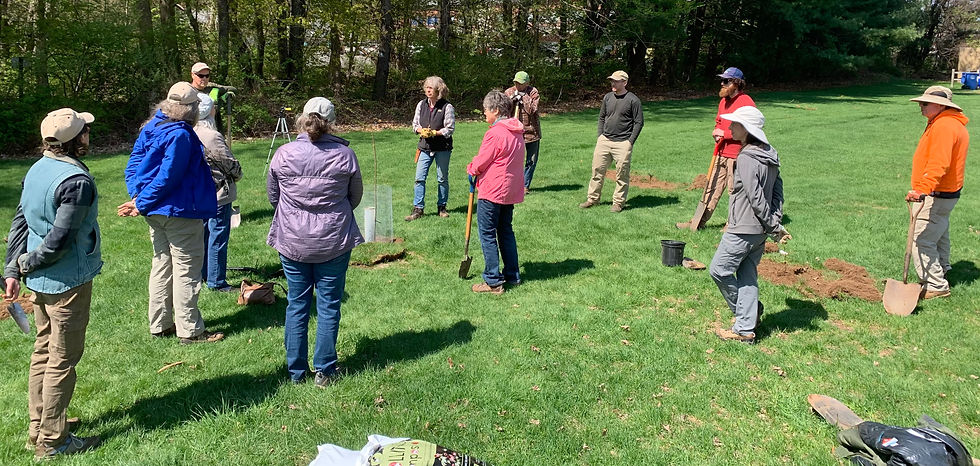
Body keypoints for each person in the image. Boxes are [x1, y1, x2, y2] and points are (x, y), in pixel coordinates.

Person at [3, 108, 102, 458]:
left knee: (44, 350)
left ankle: (40, 426)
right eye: (85, 131)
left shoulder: (38, 167)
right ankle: (53, 442)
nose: (89, 135)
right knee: (62, 358)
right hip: (66, 283)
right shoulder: (76, 181)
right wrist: (23, 264)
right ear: (76, 140)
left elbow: (19, 222)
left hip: (41, 281)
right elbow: (59, 240)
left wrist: (12, 271)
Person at [267, 97, 364, 386]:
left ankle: (296, 372)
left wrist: (292, 217)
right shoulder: (345, 155)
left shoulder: (284, 153)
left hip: (294, 239)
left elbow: (274, 197)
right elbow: (354, 196)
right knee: (328, 304)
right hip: (332, 238)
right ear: (331, 121)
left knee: (297, 304)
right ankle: (324, 370)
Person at [119, 82, 224, 345]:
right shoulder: (181, 135)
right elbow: (169, 176)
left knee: (162, 264)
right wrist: (140, 201)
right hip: (178, 211)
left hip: (156, 209)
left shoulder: (151, 126)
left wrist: (139, 198)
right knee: (186, 270)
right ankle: (190, 331)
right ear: (191, 109)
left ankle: (160, 324)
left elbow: (133, 166)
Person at [708, 106, 786, 344]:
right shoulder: (769, 154)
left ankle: (745, 321)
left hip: (743, 228)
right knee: (747, 276)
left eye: (735, 124)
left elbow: (755, 197)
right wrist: (774, 221)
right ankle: (747, 328)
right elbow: (778, 191)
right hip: (759, 231)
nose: (730, 127)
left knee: (718, 270)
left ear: (747, 129)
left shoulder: (746, 157)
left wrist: (773, 226)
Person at [907, 86, 969, 299]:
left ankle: (935, 284)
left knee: (922, 238)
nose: (921, 107)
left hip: (937, 193)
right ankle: (943, 268)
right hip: (946, 192)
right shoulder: (948, 123)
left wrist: (922, 190)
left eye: (925, 103)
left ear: (941, 105)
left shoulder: (944, 126)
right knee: (939, 232)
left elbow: (939, 163)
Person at [677, 67, 755, 230]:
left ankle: (733, 225)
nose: (722, 83)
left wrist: (724, 134)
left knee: (735, 192)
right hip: (720, 152)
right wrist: (716, 131)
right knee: (710, 188)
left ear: (736, 83)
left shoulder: (746, 102)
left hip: (738, 154)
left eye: (726, 81)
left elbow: (749, 128)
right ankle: (697, 222)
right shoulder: (723, 101)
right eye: (722, 80)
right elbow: (719, 123)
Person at [466, 91, 526, 294]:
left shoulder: (495, 133)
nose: (484, 114)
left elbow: (482, 160)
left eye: (485, 110)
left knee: (488, 233)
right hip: (508, 191)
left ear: (496, 110)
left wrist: (471, 168)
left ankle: (493, 281)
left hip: (493, 191)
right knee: (506, 231)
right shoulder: (518, 132)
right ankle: (512, 275)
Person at [195, 94, 243, 292]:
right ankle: (216, 281)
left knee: (203, 235)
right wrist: (238, 173)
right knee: (218, 235)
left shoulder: (187, 130)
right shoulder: (211, 135)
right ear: (210, 111)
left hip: (198, 192)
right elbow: (227, 162)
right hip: (217, 192)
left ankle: (204, 273)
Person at [580, 70, 644, 213]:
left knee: (622, 174)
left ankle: (618, 203)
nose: (613, 83)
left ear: (625, 83)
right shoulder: (608, 97)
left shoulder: (633, 100)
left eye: (616, 81)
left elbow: (639, 123)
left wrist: (630, 142)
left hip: (623, 143)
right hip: (605, 140)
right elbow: (602, 117)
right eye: (612, 81)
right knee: (597, 171)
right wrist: (600, 136)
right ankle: (593, 199)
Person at [406, 76, 456, 221]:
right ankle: (418, 208)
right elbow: (415, 124)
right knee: (419, 178)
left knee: (442, 178)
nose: (428, 90)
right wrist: (420, 131)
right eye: (426, 87)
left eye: (431, 88)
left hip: (442, 148)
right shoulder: (421, 105)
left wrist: (435, 133)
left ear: (438, 90)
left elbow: (450, 128)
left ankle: (442, 207)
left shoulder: (447, 107)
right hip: (424, 147)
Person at [504, 71, 542, 194]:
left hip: (532, 132)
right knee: (512, 160)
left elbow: (532, 110)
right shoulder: (509, 92)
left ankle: (525, 185)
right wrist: (512, 100)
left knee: (531, 161)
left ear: (527, 83)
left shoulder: (533, 93)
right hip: (514, 132)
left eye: (520, 83)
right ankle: (511, 184)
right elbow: (503, 111)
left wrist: (524, 97)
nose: (517, 85)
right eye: (516, 82)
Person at [190, 62, 237, 135]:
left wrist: (222, 98)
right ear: (192, 75)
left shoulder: (212, 87)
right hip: (194, 131)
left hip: (214, 130)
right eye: (201, 76)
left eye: (207, 76)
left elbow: (232, 89)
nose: (204, 78)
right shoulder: (187, 91)